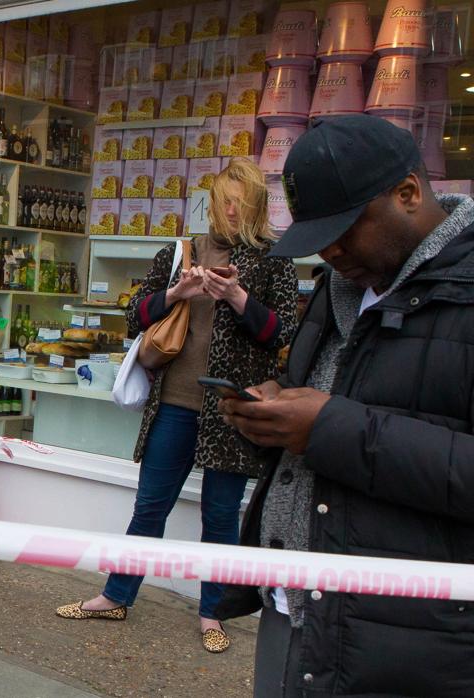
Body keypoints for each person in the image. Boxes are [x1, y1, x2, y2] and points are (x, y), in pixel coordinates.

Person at [218, 116, 474, 696]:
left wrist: (327, 428)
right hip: (294, 609)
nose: (330, 252)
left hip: (411, 643)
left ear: (408, 194)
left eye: (344, 229)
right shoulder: (340, 289)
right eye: (316, 235)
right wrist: (271, 418)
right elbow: (322, 412)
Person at [56, 157, 298, 654]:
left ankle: (214, 612)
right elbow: (135, 316)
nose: (231, 210)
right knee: (150, 507)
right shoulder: (180, 251)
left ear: (253, 206)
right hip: (175, 401)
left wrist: (236, 296)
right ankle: (115, 595)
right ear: (214, 202)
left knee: (222, 515)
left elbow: (281, 333)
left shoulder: (274, 259)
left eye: (241, 202)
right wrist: (178, 290)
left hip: (234, 409)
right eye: (224, 201)